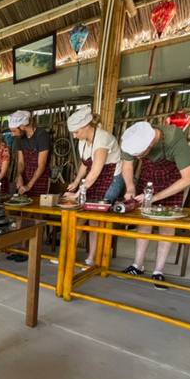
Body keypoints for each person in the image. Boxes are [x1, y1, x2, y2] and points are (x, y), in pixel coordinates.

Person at [120, 121, 190, 289]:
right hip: (148, 179)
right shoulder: (132, 136)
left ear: (151, 144)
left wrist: (155, 197)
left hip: (172, 182)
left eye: (141, 155)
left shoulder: (174, 138)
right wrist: (130, 187)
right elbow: (127, 165)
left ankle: (158, 271)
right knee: (144, 221)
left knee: (167, 224)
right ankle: (137, 265)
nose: (139, 158)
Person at [63, 105, 124, 267]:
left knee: (95, 219)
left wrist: (78, 194)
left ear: (86, 127)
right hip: (93, 179)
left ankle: (92, 257)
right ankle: (69, 254)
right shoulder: (83, 141)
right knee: (80, 217)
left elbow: (96, 170)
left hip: (111, 179)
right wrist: (76, 183)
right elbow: (85, 164)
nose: (75, 136)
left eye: (76, 132)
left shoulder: (103, 138)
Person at [9, 110, 50, 197]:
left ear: (22, 126)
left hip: (40, 178)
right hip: (26, 176)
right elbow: (20, 162)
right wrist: (20, 176)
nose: (12, 134)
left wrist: (29, 185)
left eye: (14, 131)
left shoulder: (42, 136)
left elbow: (42, 165)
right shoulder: (19, 139)